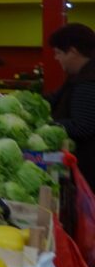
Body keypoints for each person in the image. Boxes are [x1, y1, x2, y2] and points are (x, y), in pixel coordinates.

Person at [47, 23, 95, 190]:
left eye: (58, 53)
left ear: (73, 52)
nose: (56, 58)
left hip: (87, 169)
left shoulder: (88, 83)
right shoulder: (79, 76)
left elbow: (82, 126)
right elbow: (55, 98)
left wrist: (47, 125)